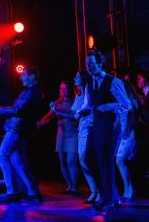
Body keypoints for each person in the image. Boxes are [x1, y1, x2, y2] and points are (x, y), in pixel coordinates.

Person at [75, 50, 131, 211]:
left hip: (110, 125)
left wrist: (108, 106)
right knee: (89, 157)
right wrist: (80, 112)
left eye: (92, 63)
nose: (89, 66)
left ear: (100, 64)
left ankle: (108, 199)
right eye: (87, 64)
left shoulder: (113, 81)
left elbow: (126, 104)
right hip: (96, 125)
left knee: (105, 160)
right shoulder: (89, 84)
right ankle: (111, 196)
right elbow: (88, 104)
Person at [0, 67, 43, 203]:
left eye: (23, 75)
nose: (21, 77)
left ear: (32, 76)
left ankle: (12, 191)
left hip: (16, 128)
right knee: (18, 161)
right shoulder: (32, 92)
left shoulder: (31, 92)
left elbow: (17, 109)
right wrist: (0, 109)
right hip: (20, 129)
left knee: (2, 156)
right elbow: (16, 108)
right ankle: (32, 191)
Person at [36, 80, 79, 195]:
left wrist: (57, 111)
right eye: (61, 89)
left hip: (73, 135)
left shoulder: (76, 101)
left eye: (65, 88)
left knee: (71, 161)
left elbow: (71, 116)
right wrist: (40, 123)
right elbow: (49, 116)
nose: (62, 91)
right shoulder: (58, 103)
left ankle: (75, 188)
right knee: (63, 162)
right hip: (61, 136)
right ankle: (70, 186)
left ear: (70, 89)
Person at [68, 71, 101, 205]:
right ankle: (94, 191)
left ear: (83, 78)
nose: (74, 78)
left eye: (77, 76)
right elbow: (72, 113)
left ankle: (98, 191)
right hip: (82, 127)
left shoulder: (89, 88)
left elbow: (89, 107)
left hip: (89, 125)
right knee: (83, 160)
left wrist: (79, 113)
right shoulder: (79, 94)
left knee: (85, 158)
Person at [115, 71, 139, 201]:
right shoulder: (122, 101)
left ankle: (129, 189)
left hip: (128, 133)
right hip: (123, 133)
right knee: (120, 161)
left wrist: (125, 132)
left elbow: (131, 118)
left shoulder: (130, 101)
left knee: (120, 160)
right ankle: (127, 189)